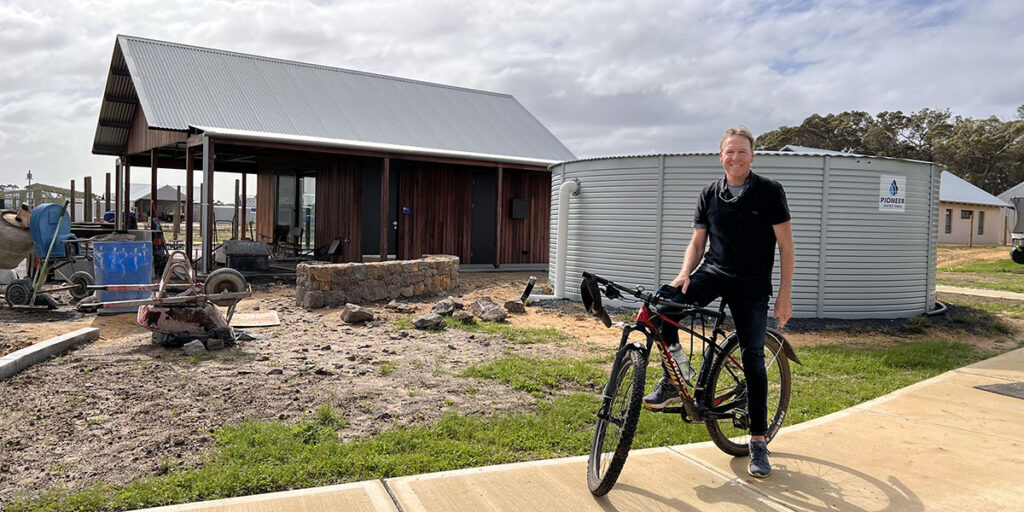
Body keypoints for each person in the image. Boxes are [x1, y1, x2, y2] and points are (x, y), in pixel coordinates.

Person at [642, 126, 794, 478]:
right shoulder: (710, 193)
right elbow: (697, 243)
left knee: (753, 358)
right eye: (730, 152)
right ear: (721, 156)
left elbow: (786, 246)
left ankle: (758, 441)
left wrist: (784, 295)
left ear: (752, 155)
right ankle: (675, 379)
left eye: (742, 151)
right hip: (713, 271)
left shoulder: (770, 192)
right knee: (662, 312)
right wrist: (684, 273)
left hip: (752, 284)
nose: (735, 157)